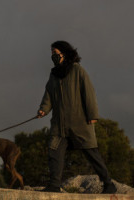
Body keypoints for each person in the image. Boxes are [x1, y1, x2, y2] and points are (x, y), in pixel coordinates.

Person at [37, 40, 116, 194]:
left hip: (80, 123)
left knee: (92, 154)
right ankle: (54, 185)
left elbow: (89, 93)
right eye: (52, 53)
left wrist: (92, 115)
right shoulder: (53, 75)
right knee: (54, 153)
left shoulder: (77, 70)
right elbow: (48, 95)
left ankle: (108, 184)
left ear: (64, 54)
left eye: (55, 53)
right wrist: (43, 110)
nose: (53, 56)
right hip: (59, 125)